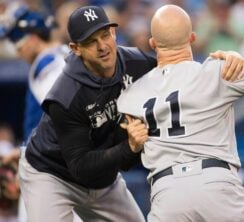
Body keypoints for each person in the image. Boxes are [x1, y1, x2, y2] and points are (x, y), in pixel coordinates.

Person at [117, 4, 244, 222]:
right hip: (216, 183)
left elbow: (119, 147)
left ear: (153, 43)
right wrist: (241, 60)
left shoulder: (131, 94)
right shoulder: (216, 71)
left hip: (167, 193)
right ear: (192, 37)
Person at [18, 5, 156, 222]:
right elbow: (81, 166)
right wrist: (128, 147)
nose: (102, 46)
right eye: (91, 41)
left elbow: (176, 68)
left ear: (114, 33)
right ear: (75, 48)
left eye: (105, 34)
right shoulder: (66, 95)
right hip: (51, 173)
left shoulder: (136, 62)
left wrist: (222, 62)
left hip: (102, 178)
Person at [0, 3, 69, 142]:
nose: (19, 55)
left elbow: (63, 117)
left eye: (19, 48)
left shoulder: (46, 64)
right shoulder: (64, 52)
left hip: (51, 157)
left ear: (33, 39)